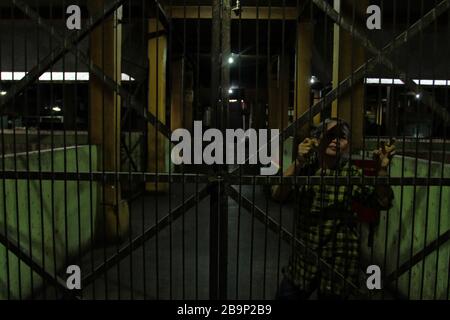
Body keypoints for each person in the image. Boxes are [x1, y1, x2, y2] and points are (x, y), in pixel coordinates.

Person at [272, 117, 395, 300]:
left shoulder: (350, 172)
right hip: (305, 255)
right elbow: (277, 195)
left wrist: (382, 170)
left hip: (340, 259)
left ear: (347, 144)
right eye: (330, 135)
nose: (336, 141)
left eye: (342, 137)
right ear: (316, 139)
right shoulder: (305, 168)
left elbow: (382, 202)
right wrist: (298, 162)